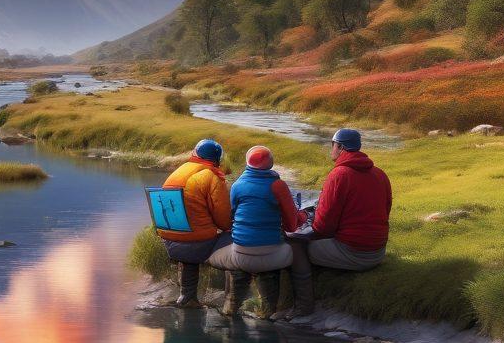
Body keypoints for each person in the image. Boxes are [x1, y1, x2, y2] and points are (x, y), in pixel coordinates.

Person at [289, 128, 392, 315]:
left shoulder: (339, 175)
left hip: (354, 253)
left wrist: (304, 230)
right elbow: (386, 210)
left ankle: (303, 307)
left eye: (333, 145)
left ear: (341, 147)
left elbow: (323, 227)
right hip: (378, 251)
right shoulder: (380, 174)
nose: (332, 149)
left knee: (295, 246)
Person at [208, 146, 306, 317]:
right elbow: (292, 226)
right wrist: (303, 216)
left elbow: (231, 215)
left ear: (248, 163)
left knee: (233, 260)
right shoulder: (279, 186)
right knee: (291, 254)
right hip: (272, 255)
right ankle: (272, 311)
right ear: (271, 164)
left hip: (240, 253)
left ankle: (231, 308)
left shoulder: (237, 185)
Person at [157, 138, 233, 308]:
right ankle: (231, 303)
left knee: (190, 247)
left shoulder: (180, 170)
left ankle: (187, 296)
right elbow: (224, 220)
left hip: (169, 240)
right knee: (234, 239)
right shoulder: (211, 176)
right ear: (217, 159)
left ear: (195, 154)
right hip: (196, 243)